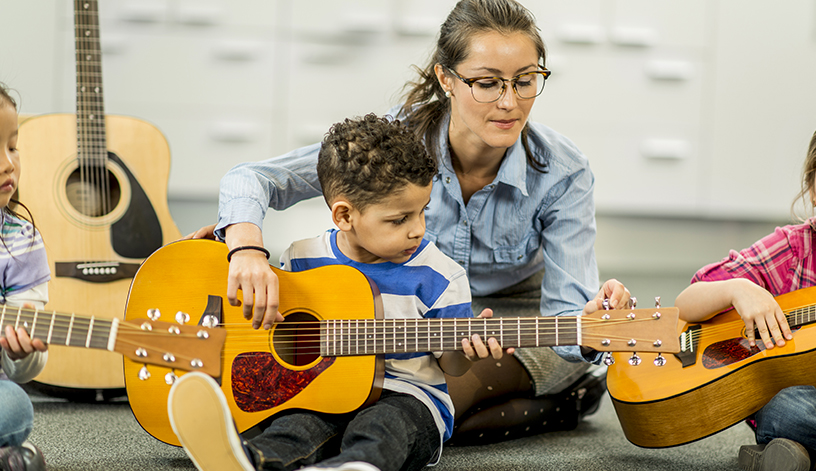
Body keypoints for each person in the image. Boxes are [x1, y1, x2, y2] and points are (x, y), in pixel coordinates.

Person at [188, 0, 630, 442]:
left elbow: (567, 318)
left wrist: (588, 327)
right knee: (358, 392)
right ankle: (562, 407)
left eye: (525, 80)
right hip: (404, 316)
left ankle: (563, 396)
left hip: (512, 321)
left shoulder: (564, 171)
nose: (509, 102)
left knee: (418, 400)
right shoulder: (397, 146)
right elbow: (252, 178)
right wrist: (246, 248)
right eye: (487, 83)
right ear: (446, 79)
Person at [169, 113, 507, 471]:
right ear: (344, 216)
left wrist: (467, 353)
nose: (418, 230)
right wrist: (217, 259)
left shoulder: (441, 276)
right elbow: (273, 328)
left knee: (383, 427)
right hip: (319, 391)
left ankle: (355, 467)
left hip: (409, 396)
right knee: (293, 427)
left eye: (423, 211)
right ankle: (248, 461)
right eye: (399, 219)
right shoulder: (301, 257)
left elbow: (449, 365)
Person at [674, 131, 816, 471]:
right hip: (799, 398)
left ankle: (783, 458)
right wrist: (737, 289)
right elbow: (685, 303)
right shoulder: (794, 248)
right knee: (786, 408)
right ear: (812, 188)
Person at [0, 83, 49, 471]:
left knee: (14, 407)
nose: (8, 164)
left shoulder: (21, 241)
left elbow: (24, 371)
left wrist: (23, 353)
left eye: (12, 146)